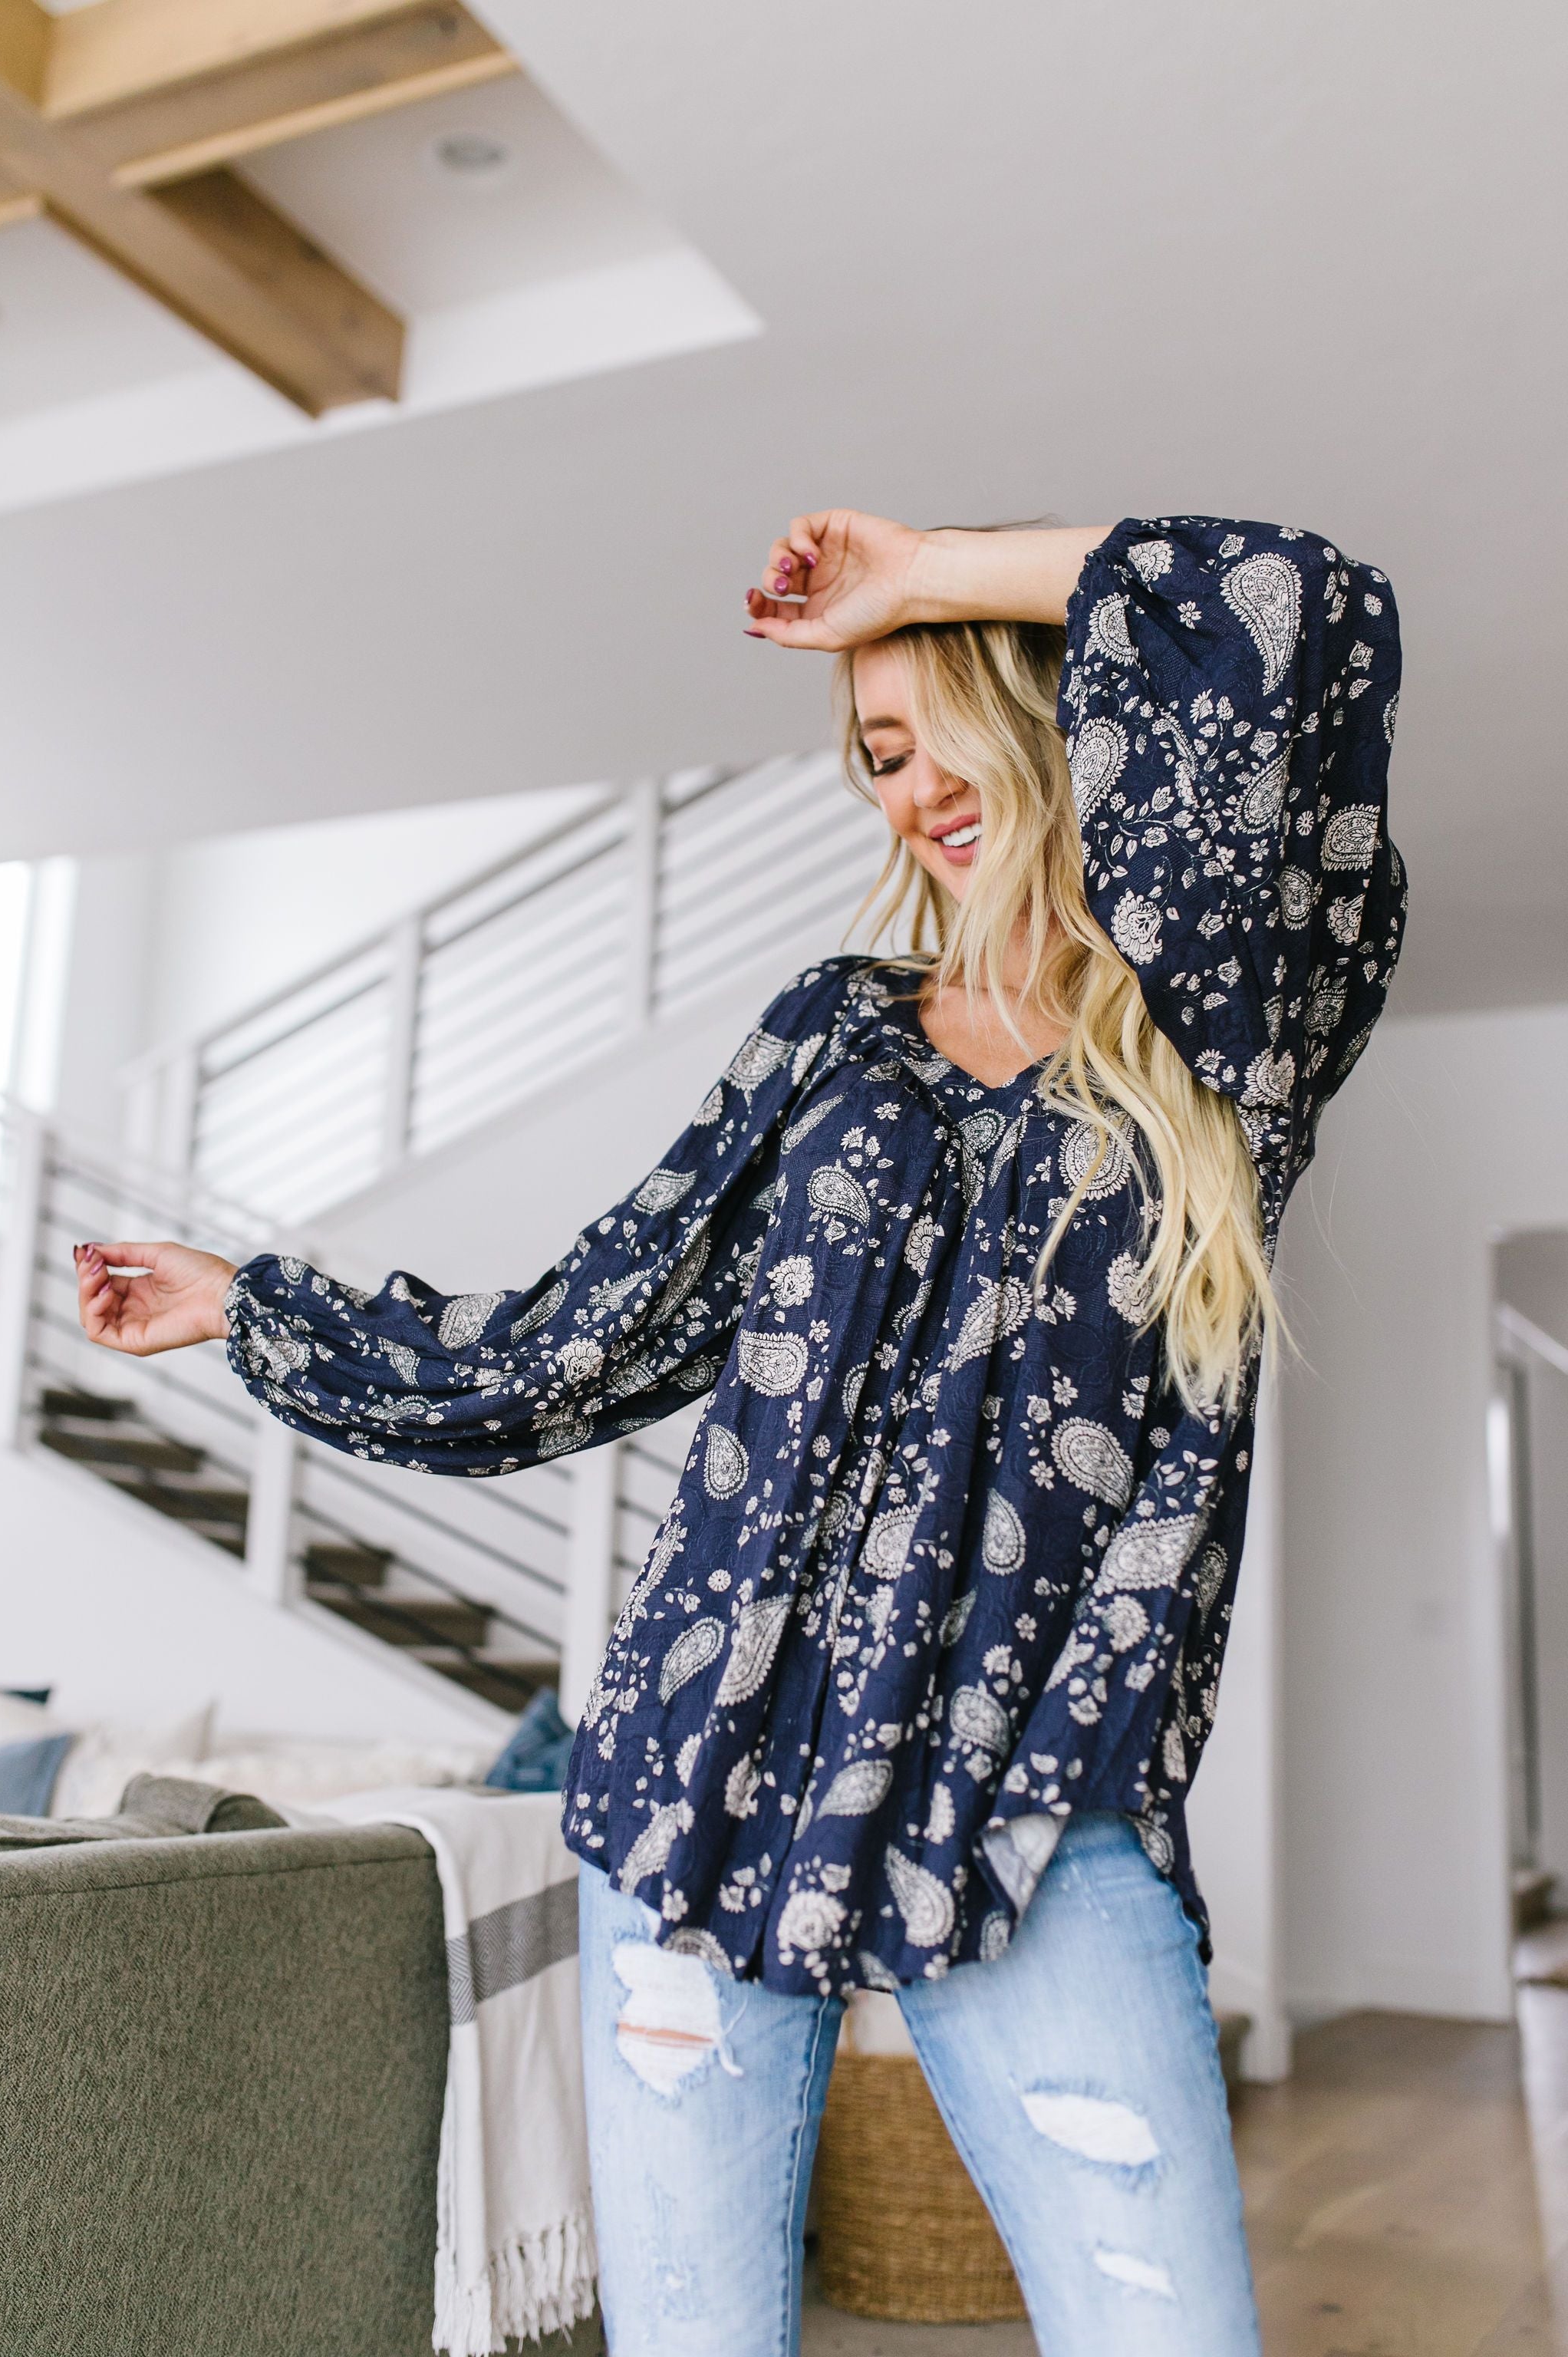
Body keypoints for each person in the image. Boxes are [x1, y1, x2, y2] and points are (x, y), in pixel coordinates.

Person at [76, 508, 1405, 2357]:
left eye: (938, 726)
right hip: (706, 1768)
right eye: (875, 756)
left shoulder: (1224, 1024)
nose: (913, 790)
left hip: (1040, 1787)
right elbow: (586, 1335)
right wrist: (256, 1305)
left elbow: (1294, 604)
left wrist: (920, 571)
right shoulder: (831, 1038)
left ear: (1059, 715)